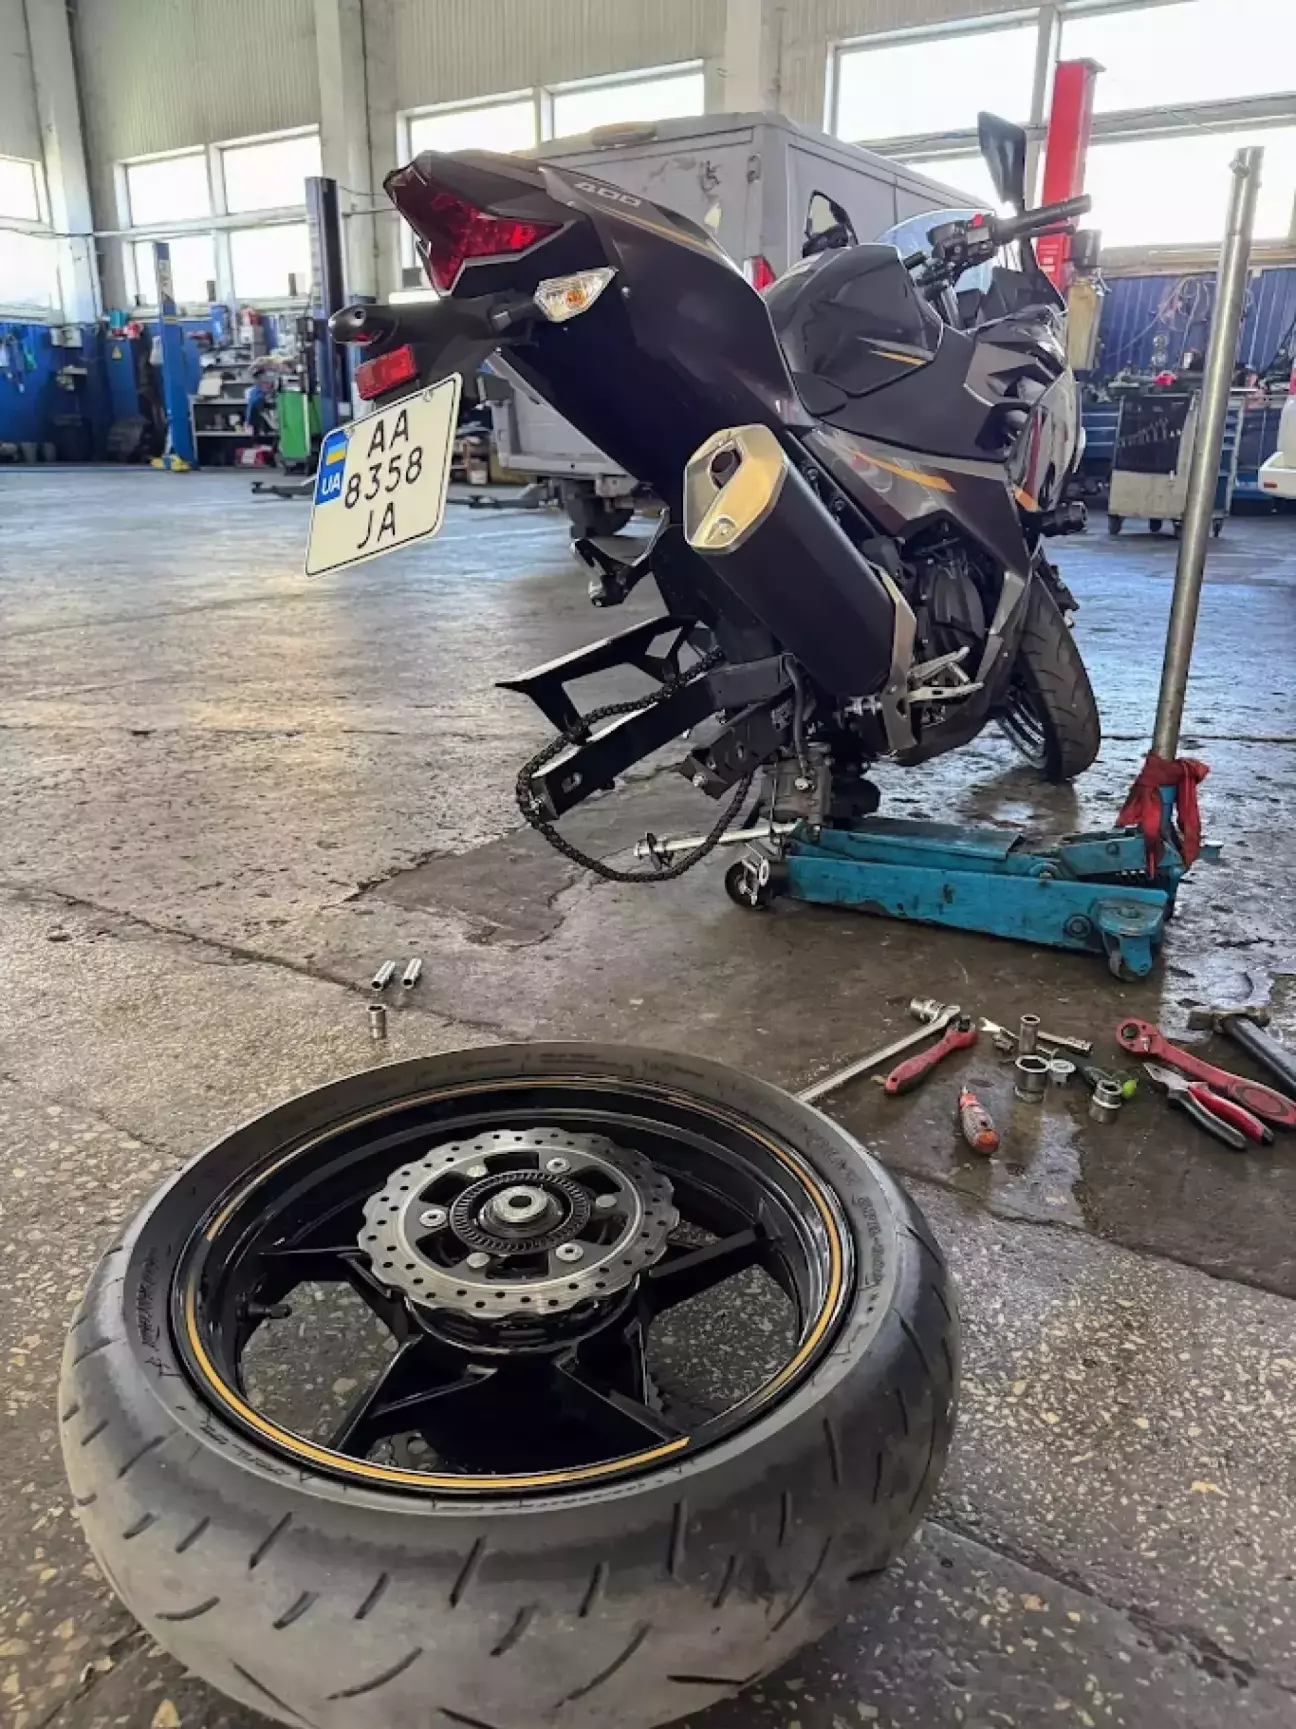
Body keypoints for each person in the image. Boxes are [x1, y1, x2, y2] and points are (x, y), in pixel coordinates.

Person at [245, 367, 278, 439]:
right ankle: (252, 425)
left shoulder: (271, 379)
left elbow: (272, 389)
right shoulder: (253, 390)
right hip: (263, 407)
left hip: (274, 400)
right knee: (255, 400)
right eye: (257, 376)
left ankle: (251, 424)